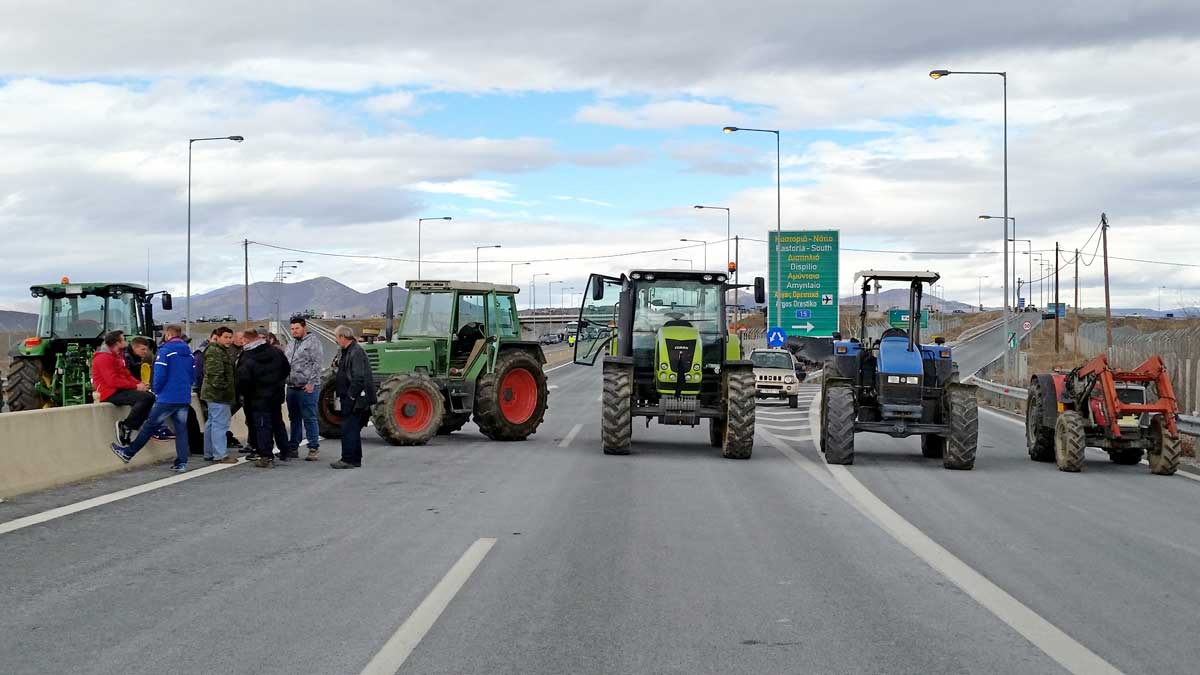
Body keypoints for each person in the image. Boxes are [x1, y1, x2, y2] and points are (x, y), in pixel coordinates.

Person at [110, 325, 194, 473]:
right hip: (183, 397)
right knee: (181, 429)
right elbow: (192, 374)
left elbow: (160, 374)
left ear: (168, 334)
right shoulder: (189, 353)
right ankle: (181, 462)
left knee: (149, 426)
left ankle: (128, 452)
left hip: (167, 397)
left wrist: (157, 390)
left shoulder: (165, 351)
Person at [236, 328, 291, 468]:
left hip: (257, 397)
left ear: (247, 340)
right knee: (277, 422)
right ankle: (285, 450)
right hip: (275, 394)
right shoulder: (276, 352)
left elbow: (243, 380)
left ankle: (266, 456)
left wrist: (246, 393)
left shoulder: (247, 357)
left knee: (262, 426)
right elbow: (286, 369)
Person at [92, 330, 153, 446]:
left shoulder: (116, 356)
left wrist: (141, 385)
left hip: (117, 390)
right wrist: (135, 386)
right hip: (108, 392)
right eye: (123, 339)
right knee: (144, 398)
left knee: (149, 397)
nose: (125, 341)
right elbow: (112, 380)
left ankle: (131, 426)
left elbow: (126, 375)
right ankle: (126, 426)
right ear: (117, 342)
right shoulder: (103, 358)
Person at [331, 324, 375, 469]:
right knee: (353, 428)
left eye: (337, 338)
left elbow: (358, 377)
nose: (336, 341)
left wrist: (351, 396)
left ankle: (348, 459)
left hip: (353, 397)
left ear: (343, 337)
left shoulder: (355, 352)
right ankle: (355, 458)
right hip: (349, 396)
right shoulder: (348, 351)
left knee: (348, 428)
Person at [284, 316, 323, 461]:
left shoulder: (313, 343)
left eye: (297, 328)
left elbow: (317, 364)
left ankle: (313, 447)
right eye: (292, 329)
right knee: (294, 418)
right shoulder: (291, 343)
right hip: (292, 386)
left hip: (307, 387)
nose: (294, 331)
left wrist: (311, 383)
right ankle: (293, 446)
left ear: (304, 327)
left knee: (309, 417)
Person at [200, 326, 238, 464]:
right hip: (218, 394)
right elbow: (216, 374)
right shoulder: (216, 351)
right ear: (218, 337)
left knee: (212, 423)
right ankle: (220, 454)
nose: (229, 340)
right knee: (219, 424)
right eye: (226, 337)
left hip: (213, 393)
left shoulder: (219, 350)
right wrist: (224, 389)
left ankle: (209, 452)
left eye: (230, 337)